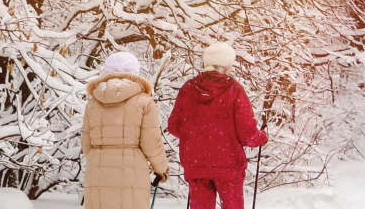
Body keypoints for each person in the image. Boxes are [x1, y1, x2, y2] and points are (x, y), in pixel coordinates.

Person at [167, 41, 268, 209]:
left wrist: (197, 137)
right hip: (229, 166)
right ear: (228, 66)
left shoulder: (188, 88)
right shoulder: (234, 90)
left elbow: (174, 127)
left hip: (196, 164)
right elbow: (247, 133)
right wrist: (262, 137)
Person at [82, 51, 170, 209]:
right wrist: (161, 169)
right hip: (132, 169)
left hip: (98, 167)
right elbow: (151, 142)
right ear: (135, 72)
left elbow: (86, 144)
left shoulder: (93, 102)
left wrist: (102, 158)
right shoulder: (144, 101)